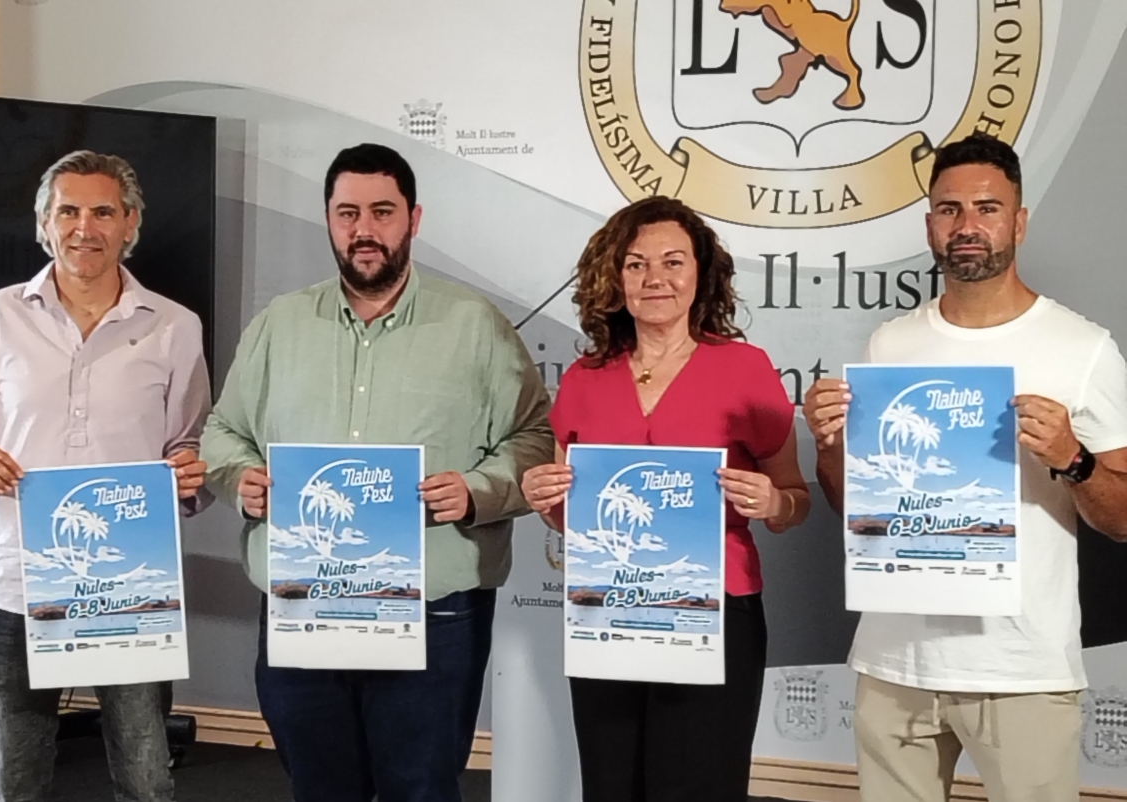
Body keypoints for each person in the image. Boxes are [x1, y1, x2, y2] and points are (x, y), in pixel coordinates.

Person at [200, 142, 553, 802]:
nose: (364, 230)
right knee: (320, 786)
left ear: (413, 219)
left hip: (433, 612)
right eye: (348, 213)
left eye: (382, 212)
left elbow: (535, 436)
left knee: (421, 788)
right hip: (304, 604)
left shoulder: (475, 325)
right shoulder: (279, 324)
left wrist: (476, 493)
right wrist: (238, 477)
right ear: (329, 221)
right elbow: (222, 432)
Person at [804, 133, 1127, 802]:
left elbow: (1124, 519)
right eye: (950, 210)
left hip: (1021, 667)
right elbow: (854, 510)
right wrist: (829, 446)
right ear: (931, 226)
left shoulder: (1083, 348)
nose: (967, 226)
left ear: (1019, 222)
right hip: (894, 663)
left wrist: (1073, 459)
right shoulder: (890, 344)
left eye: (987, 208)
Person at [0, 150, 212, 802]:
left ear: (130, 223)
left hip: (130, 584)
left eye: (103, 212)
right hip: (16, 582)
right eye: (68, 211)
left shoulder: (175, 326)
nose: (85, 227)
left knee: (147, 777)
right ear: (44, 223)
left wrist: (192, 473)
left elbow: (188, 446)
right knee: (18, 778)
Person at [520, 196, 811, 802]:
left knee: (698, 785)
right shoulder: (584, 378)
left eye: (673, 262)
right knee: (611, 785)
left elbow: (794, 500)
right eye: (636, 264)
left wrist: (772, 502)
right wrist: (542, 496)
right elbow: (568, 512)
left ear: (701, 274)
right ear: (615, 278)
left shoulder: (745, 368)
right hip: (607, 612)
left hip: (714, 614)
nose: (655, 278)